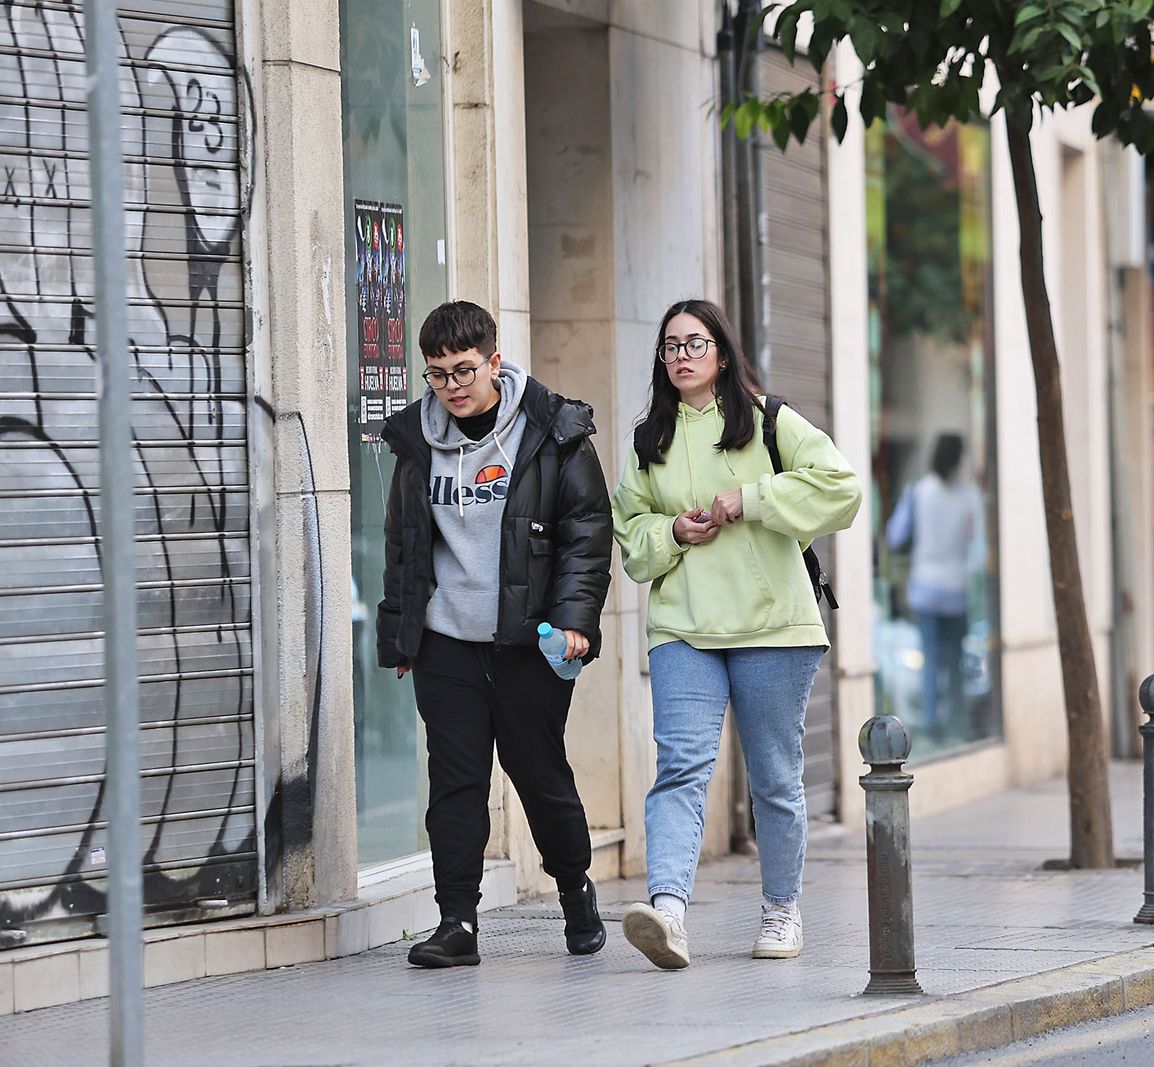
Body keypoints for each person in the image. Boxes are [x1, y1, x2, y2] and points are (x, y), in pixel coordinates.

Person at [611, 298, 862, 969]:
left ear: (722, 351)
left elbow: (842, 488)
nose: (682, 355)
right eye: (670, 346)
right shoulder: (647, 442)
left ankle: (782, 908)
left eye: (695, 343)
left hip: (772, 627)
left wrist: (751, 500)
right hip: (683, 628)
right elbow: (632, 540)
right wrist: (671, 531)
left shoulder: (769, 421)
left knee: (776, 778)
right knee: (682, 768)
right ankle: (667, 911)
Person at [377, 300, 613, 967]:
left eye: (463, 369)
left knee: (538, 774)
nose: (452, 385)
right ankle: (458, 921)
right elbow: (403, 542)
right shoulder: (417, 443)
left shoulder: (551, 431)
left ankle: (573, 886)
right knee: (455, 780)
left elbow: (587, 534)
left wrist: (573, 621)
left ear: (493, 362)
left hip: (526, 639)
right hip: (447, 641)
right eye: (437, 374)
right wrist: (401, 634)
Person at [886, 433, 984, 742]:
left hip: (925, 589)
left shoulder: (917, 492)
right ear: (959, 460)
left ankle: (931, 724)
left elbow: (894, 535)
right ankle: (955, 723)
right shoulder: (969, 497)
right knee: (954, 664)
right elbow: (978, 552)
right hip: (956, 592)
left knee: (929, 660)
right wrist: (964, 571)